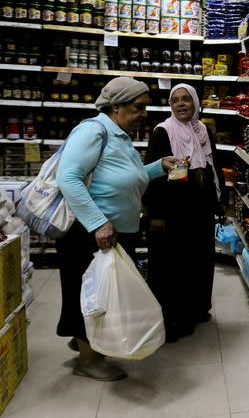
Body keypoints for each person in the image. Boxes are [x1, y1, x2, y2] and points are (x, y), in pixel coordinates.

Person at [56, 76, 178, 381]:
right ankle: (89, 359)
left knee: (103, 294)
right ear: (115, 107)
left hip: (114, 231)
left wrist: (158, 167)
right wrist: (98, 223)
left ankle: (86, 341)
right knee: (94, 295)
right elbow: (68, 178)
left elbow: (128, 177)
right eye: (137, 107)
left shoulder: (120, 136)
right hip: (91, 233)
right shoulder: (92, 131)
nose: (143, 114)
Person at [143, 84, 225, 342]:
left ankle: (197, 309)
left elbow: (213, 167)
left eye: (186, 100)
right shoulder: (163, 133)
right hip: (172, 210)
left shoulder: (204, 132)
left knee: (199, 260)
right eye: (175, 100)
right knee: (172, 265)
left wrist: (218, 202)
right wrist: (155, 214)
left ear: (196, 103)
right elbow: (153, 177)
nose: (180, 104)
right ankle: (172, 319)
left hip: (199, 209)